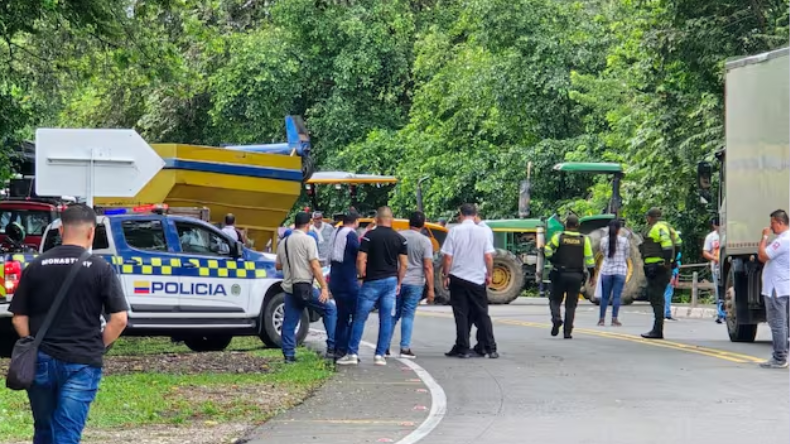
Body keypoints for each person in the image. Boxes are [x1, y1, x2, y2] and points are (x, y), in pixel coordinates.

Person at [8, 203, 129, 443]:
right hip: (82, 362)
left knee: (44, 430)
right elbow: (119, 319)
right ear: (91, 232)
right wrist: (98, 346)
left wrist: (32, 344)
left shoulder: (36, 266)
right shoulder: (101, 268)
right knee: (67, 434)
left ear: (61, 230)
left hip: (40, 360)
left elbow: (19, 318)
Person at [337, 207, 408, 366]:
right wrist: (399, 281)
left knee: (360, 317)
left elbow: (360, 259)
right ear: (391, 219)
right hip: (391, 281)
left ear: (377, 219)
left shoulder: (369, 236)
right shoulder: (400, 239)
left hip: (371, 281)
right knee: (386, 318)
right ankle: (380, 355)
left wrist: (361, 275)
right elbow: (404, 264)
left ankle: (352, 353)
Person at [275, 212, 336, 363]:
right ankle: (332, 347)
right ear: (308, 224)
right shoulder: (308, 240)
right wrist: (324, 288)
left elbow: (278, 266)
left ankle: (289, 355)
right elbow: (315, 266)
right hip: (305, 287)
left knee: (289, 321)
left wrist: (292, 263)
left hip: (289, 287)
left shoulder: (283, 242)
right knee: (329, 309)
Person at [441, 204, 498, 358]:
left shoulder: (454, 231)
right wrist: (489, 274)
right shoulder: (483, 232)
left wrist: (446, 275)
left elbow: (448, 257)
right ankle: (491, 347)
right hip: (477, 278)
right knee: (482, 314)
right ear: (475, 214)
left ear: (461, 214)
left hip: (458, 278)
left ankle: (463, 347)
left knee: (461, 314)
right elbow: (488, 257)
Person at [389, 211, 435, 359]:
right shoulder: (425, 241)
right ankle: (405, 348)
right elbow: (427, 266)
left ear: (409, 222)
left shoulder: (398, 236)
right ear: (423, 224)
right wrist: (431, 289)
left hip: (397, 281)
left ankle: (384, 347)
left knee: (393, 314)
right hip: (415, 283)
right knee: (408, 315)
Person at [544, 214, 594, 339]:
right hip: (576, 276)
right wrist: (592, 275)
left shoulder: (559, 237)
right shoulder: (584, 240)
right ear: (578, 226)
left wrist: (553, 259)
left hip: (559, 274)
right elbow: (590, 260)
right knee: (571, 305)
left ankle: (556, 318)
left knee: (555, 300)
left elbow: (547, 250)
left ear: (566, 225)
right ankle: (567, 332)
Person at [757, 209, 790, 369]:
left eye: (773, 223)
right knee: (784, 324)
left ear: (780, 222)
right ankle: (781, 355)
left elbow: (763, 256)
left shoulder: (783, 241)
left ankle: (779, 357)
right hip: (785, 286)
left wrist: (764, 237)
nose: (771, 227)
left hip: (776, 287)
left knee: (778, 324)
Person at [638, 207, 677, 339]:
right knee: (657, 297)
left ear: (650, 217)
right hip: (661, 267)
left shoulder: (657, 228)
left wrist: (667, 261)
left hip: (657, 267)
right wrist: (673, 261)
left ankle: (657, 330)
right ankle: (657, 328)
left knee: (656, 298)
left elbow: (667, 246)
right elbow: (678, 244)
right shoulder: (669, 228)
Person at [328, 212, 361, 358]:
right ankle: (348, 348)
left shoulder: (335, 232)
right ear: (356, 221)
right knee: (356, 315)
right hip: (348, 280)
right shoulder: (350, 234)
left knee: (341, 316)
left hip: (335, 279)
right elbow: (359, 254)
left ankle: (337, 347)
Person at [598, 219, 629, 327]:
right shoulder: (624, 241)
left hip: (606, 271)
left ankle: (601, 319)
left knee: (605, 297)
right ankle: (614, 319)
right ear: (619, 229)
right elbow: (627, 256)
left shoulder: (603, 240)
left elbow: (602, 253)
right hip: (620, 271)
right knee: (616, 296)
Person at [702, 217, 726, 323]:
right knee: (718, 290)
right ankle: (721, 313)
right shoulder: (711, 237)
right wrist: (714, 258)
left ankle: (727, 312)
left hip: (727, 266)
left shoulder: (727, 236)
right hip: (716, 267)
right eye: (717, 226)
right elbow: (705, 252)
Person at [663, 227, 683, 321]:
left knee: (668, 292)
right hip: (671, 271)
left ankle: (666, 312)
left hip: (673, 271)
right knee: (668, 292)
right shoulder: (672, 250)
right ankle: (666, 313)